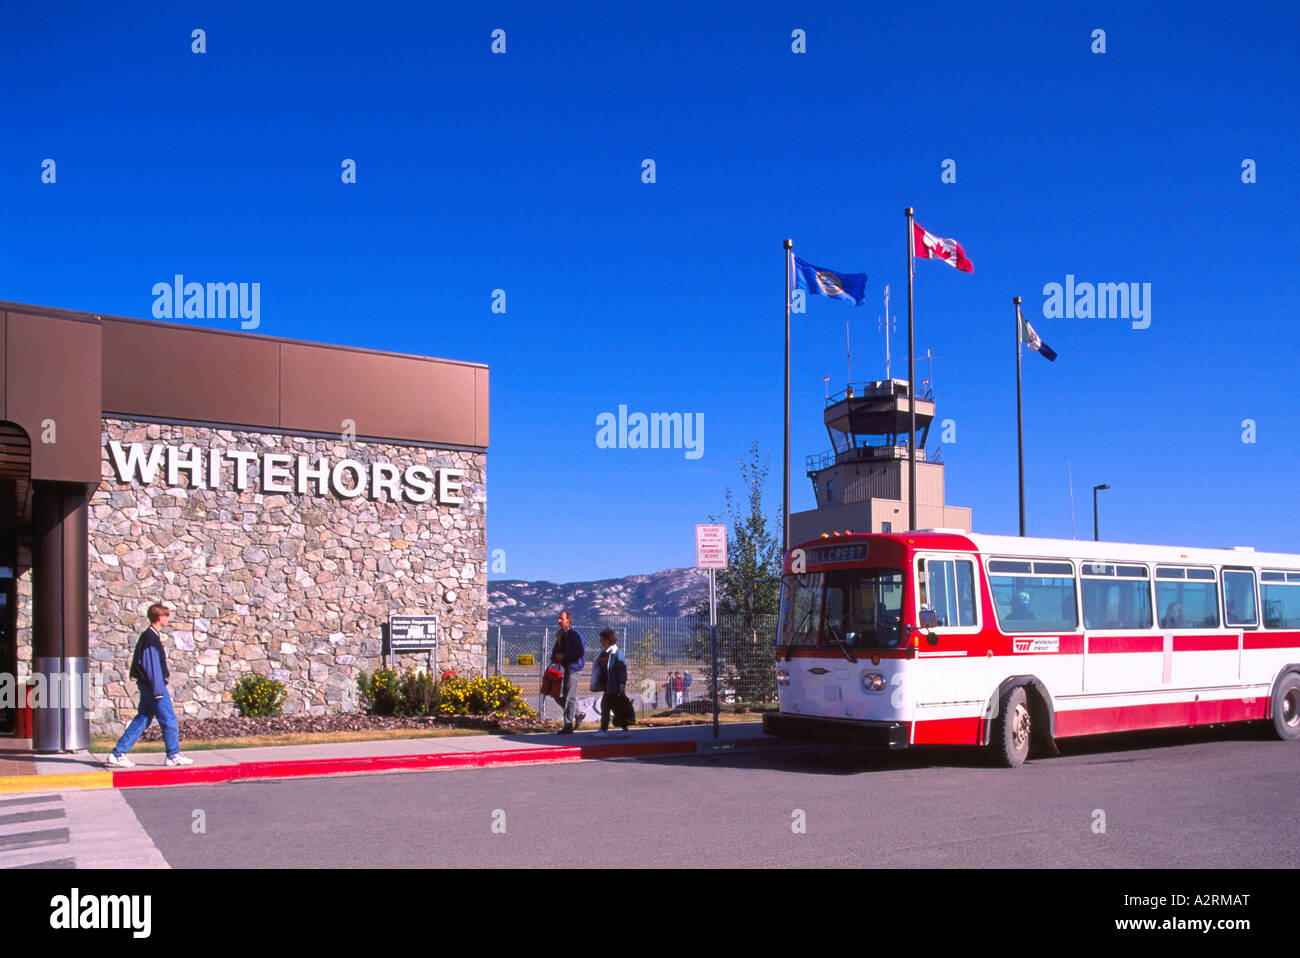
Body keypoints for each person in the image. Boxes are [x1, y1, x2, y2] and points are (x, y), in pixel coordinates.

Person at [106, 603, 193, 768]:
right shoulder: (151, 639)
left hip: (148, 686)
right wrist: (158, 691)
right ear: (160, 618)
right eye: (167, 616)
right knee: (169, 719)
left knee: (143, 718)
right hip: (153, 687)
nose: (168, 618)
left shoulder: (150, 636)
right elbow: (152, 666)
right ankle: (173, 755)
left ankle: (118, 753)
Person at [551, 610, 586, 733]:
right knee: (556, 695)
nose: (559, 621)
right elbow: (556, 651)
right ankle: (578, 713)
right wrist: (555, 659)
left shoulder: (575, 635)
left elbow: (580, 651)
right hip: (563, 669)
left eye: (562, 618)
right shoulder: (561, 635)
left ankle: (568, 724)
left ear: (568, 620)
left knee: (570, 696)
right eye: (559, 618)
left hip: (573, 669)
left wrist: (565, 655)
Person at [593, 628, 630, 737]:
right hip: (607, 687)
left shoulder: (617, 654)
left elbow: (622, 670)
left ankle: (605, 730)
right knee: (610, 708)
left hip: (615, 688)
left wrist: (622, 684)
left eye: (602, 639)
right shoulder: (605, 654)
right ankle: (622, 729)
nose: (600, 642)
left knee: (608, 707)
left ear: (607, 640)